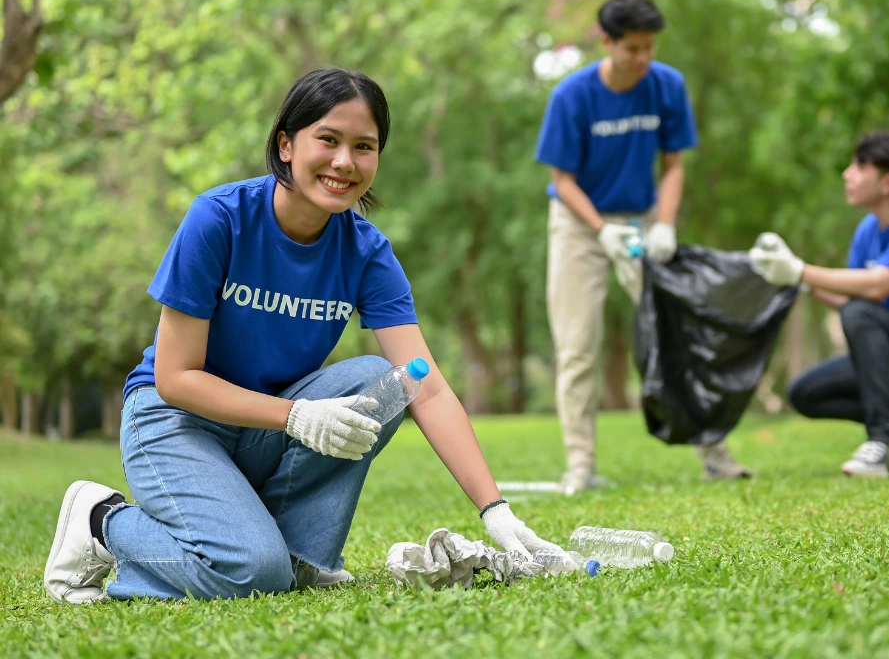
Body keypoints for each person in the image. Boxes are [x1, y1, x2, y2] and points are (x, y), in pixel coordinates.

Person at [43, 68, 558, 604]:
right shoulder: (218, 219)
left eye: (364, 146)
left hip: (265, 427)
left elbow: (424, 385)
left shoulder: (366, 252)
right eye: (328, 140)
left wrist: (495, 511)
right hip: (175, 421)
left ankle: (298, 558)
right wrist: (294, 416)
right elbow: (175, 378)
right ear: (286, 144)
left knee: (381, 381)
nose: (344, 162)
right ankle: (102, 523)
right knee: (250, 574)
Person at [534, 0, 751, 493]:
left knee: (676, 337)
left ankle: (715, 454)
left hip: (644, 216)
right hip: (577, 222)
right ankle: (580, 467)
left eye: (650, 47)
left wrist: (664, 224)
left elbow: (674, 164)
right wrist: (601, 230)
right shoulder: (572, 95)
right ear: (607, 42)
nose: (644, 58)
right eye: (633, 48)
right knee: (578, 347)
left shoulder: (667, 86)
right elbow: (562, 180)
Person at [749, 131, 889, 477]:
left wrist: (801, 270)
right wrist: (795, 281)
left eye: (859, 166)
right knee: (805, 392)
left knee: (861, 312)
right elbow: (850, 299)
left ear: (888, 182)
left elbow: (877, 287)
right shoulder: (867, 231)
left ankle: (884, 441)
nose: (847, 174)